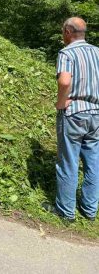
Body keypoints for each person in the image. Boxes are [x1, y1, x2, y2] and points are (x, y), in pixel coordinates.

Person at [43, 17, 99, 222]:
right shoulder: (97, 52)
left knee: (68, 161)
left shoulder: (67, 53)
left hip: (74, 113)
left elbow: (65, 80)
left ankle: (66, 211)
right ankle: (90, 210)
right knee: (94, 162)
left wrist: (60, 103)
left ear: (68, 31)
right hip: (96, 114)